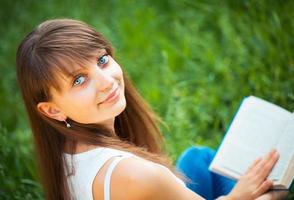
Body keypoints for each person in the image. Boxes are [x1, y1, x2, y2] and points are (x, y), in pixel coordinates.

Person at [16, 19, 288, 200]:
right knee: (275, 171)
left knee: (197, 159)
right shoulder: (135, 174)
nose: (107, 81)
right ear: (52, 110)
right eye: (78, 80)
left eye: (101, 60)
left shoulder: (63, 154)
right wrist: (265, 194)